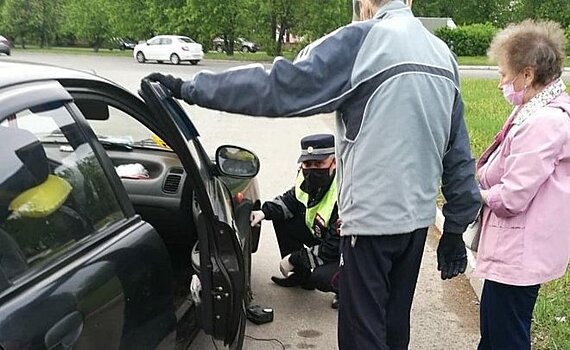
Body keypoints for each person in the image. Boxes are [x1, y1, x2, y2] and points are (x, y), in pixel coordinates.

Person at [143, 0, 481, 348]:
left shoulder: (362, 43)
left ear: (364, 2)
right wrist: (454, 229)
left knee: (362, 334)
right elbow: (458, 154)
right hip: (415, 228)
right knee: (394, 327)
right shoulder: (442, 54)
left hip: (371, 225)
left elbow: (279, 86)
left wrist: (189, 89)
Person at [475, 20, 570, 350]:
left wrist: (478, 195)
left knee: (504, 337)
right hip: (515, 252)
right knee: (494, 332)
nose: (501, 82)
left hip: (519, 254)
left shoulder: (543, 121)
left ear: (527, 74)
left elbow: (514, 195)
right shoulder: (532, 112)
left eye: (503, 73)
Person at [249, 134, 341, 308]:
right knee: (282, 217)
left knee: (321, 277)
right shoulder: (305, 177)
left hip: (345, 248)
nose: (312, 169)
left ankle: (346, 292)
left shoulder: (344, 191)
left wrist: (295, 258)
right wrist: (263, 212)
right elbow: (291, 200)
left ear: (334, 162)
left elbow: (332, 248)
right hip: (322, 232)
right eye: (308, 164)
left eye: (319, 164)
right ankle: (301, 276)